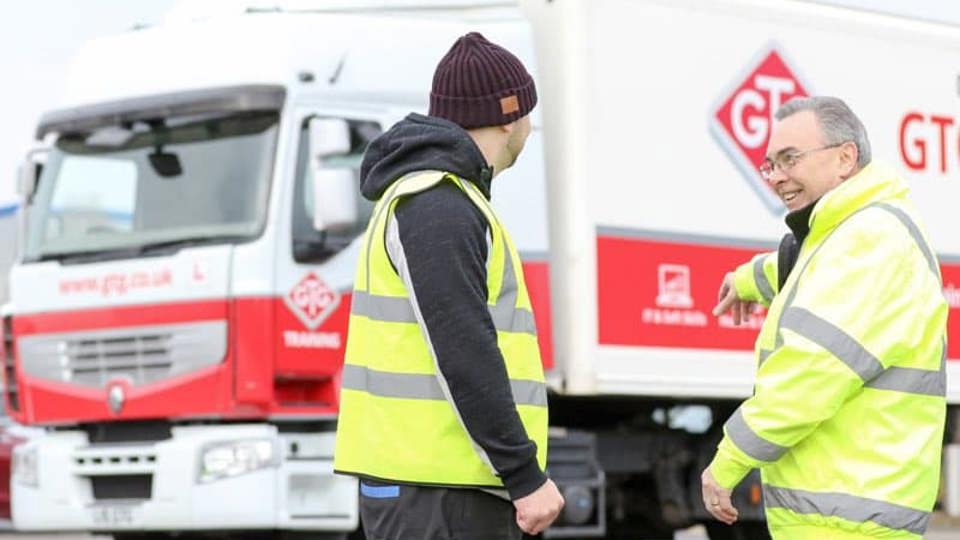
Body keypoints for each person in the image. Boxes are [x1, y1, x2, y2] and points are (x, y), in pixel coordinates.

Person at [334, 32, 564, 539]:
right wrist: (524, 474)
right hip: (439, 489)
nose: (529, 126)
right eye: (528, 112)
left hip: (430, 483)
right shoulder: (439, 202)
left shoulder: (433, 196)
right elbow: (463, 347)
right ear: (509, 116)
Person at [703, 96, 947, 539]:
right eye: (770, 164)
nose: (777, 176)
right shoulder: (853, 231)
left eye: (789, 159)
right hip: (843, 511)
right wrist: (748, 279)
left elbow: (808, 375)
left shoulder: (869, 240)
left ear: (845, 158)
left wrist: (729, 459)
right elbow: (807, 266)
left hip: (844, 520)